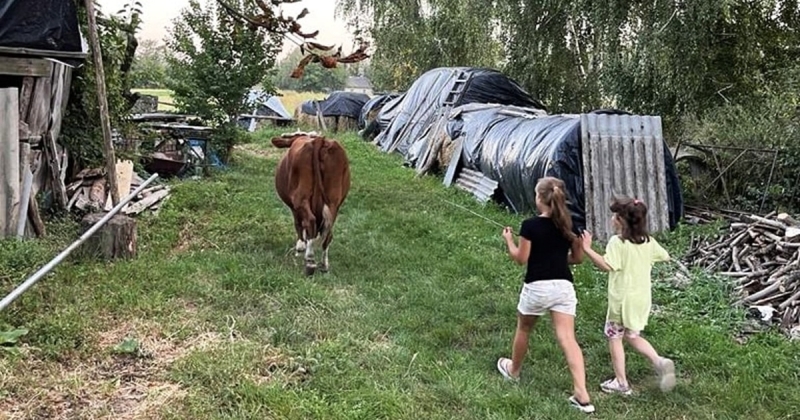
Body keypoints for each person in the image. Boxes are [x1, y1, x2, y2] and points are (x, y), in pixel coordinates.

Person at [496, 176, 595, 414]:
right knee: (568, 339)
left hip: (537, 288)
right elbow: (577, 259)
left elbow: (521, 259)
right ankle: (582, 394)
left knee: (524, 328)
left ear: (540, 198)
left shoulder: (530, 225)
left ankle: (514, 370)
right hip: (563, 288)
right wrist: (560, 258)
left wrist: (509, 240)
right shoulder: (568, 225)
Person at [580, 196, 676, 395]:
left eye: (615, 215)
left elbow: (607, 265)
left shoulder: (617, 242)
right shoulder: (649, 242)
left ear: (621, 221)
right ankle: (659, 361)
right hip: (641, 299)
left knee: (614, 337)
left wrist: (587, 249)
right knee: (632, 335)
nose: (612, 218)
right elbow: (665, 256)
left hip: (622, 302)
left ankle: (621, 383)